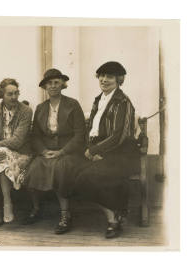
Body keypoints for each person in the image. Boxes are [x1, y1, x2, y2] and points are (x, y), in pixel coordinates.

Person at [73, 61, 140, 238]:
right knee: (73, 175)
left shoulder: (122, 101)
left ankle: (113, 221)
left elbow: (119, 135)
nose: (104, 79)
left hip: (121, 152)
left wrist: (95, 151)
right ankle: (117, 214)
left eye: (109, 76)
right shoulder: (99, 99)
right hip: (100, 150)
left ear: (119, 80)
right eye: (101, 75)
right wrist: (90, 149)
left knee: (89, 177)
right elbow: (91, 130)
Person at [24, 69, 86, 234]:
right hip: (47, 152)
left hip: (69, 152)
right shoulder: (41, 108)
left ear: (62, 85)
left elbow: (80, 135)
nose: (53, 86)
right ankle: (37, 209)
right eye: (49, 83)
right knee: (32, 168)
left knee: (60, 169)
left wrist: (62, 151)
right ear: (45, 86)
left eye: (56, 82)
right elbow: (35, 136)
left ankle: (66, 215)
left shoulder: (73, 104)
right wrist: (43, 151)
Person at [0, 78, 33, 226]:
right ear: (1, 94)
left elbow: (17, 141)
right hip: (1, 156)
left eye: (16, 93)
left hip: (21, 154)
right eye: (10, 94)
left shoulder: (26, 111)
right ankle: (4, 205)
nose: (14, 97)